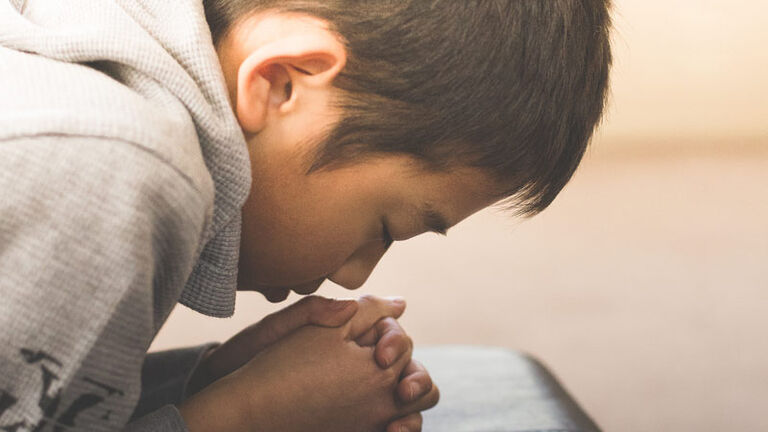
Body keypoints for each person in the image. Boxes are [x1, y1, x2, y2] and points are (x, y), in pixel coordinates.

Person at [0, 0, 612, 431]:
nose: (353, 277)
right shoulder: (117, 167)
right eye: (385, 228)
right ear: (280, 84)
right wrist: (249, 419)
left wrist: (205, 385)